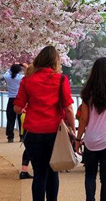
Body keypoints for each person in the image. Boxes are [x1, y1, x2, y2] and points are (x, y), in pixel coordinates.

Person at [13, 46, 75, 201]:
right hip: (54, 132)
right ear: (56, 61)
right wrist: (73, 129)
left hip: (33, 131)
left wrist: (28, 106)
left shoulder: (27, 80)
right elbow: (68, 108)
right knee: (53, 171)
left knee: (39, 174)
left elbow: (18, 108)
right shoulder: (61, 79)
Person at [74, 58, 106, 201]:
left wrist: (78, 139)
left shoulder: (87, 93)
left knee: (90, 175)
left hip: (90, 140)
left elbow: (83, 119)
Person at [5, 63, 26, 142]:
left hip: (11, 99)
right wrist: (24, 66)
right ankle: (22, 136)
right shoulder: (21, 77)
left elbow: (6, 73)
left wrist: (13, 66)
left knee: (10, 119)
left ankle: (10, 136)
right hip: (20, 99)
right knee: (21, 118)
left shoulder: (7, 77)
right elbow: (28, 73)